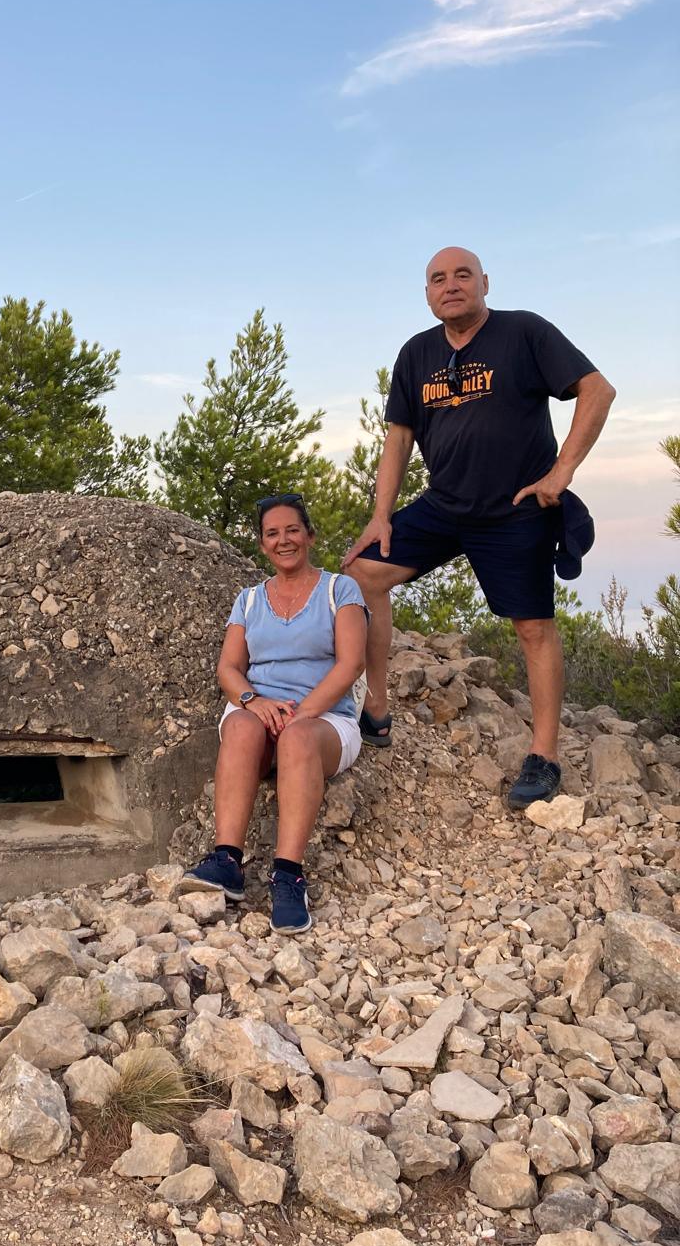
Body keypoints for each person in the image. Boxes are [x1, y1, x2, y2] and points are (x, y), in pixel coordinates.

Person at [343, 247, 616, 810]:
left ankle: (543, 757)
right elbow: (397, 438)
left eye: (462, 275)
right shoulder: (416, 354)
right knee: (363, 574)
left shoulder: (524, 333)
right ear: (427, 294)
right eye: (438, 279)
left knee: (534, 629)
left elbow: (597, 389)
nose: (451, 285)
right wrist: (379, 516)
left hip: (515, 510)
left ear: (484, 283)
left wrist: (561, 471)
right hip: (445, 506)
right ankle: (375, 707)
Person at [178, 494, 368, 934]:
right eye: (272, 533)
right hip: (260, 712)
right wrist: (253, 702)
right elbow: (228, 667)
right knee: (241, 728)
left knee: (299, 739)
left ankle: (288, 876)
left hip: (324, 718)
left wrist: (303, 714)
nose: (283, 540)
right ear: (263, 545)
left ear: (309, 535)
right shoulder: (247, 600)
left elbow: (351, 664)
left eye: (292, 530)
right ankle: (227, 860)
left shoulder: (340, 590)